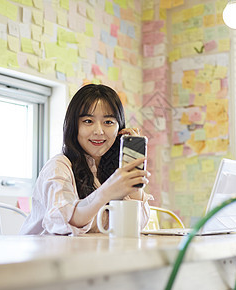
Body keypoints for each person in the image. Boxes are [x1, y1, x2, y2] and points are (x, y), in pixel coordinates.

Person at [20, 84, 153, 235]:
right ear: (74, 126)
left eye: (108, 122)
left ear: (119, 129)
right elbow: (64, 221)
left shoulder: (111, 171)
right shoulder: (59, 167)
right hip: (44, 255)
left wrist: (133, 175)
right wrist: (107, 191)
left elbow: (136, 225)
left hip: (90, 255)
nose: (99, 131)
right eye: (88, 121)